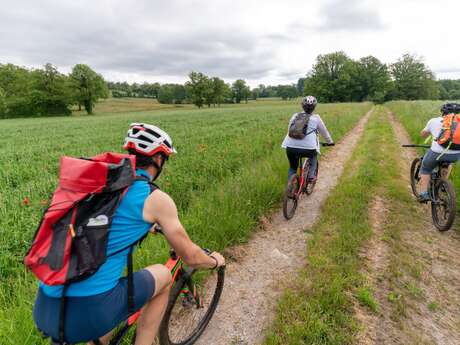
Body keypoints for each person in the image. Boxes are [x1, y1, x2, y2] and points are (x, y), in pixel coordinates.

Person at [33, 123, 225, 345]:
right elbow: (190, 256)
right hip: (90, 312)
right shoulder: (155, 199)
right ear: (159, 159)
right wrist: (214, 262)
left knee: (107, 288)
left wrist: (147, 225)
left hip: (46, 308)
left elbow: (102, 221)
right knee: (163, 277)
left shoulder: (100, 184)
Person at [281, 96, 334, 182]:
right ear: (314, 107)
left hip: (290, 147)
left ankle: (290, 187)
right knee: (313, 155)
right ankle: (311, 176)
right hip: (308, 149)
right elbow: (324, 132)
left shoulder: (295, 116)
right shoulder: (316, 118)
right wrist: (330, 142)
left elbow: (289, 129)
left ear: (302, 106)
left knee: (292, 167)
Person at [418, 103, 460, 202]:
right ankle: (443, 184)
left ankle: (424, 194)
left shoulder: (434, 121)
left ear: (443, 112)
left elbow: (423, 135)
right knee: (448, 162)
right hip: (456, 154)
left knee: (426, 168)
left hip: (437, 152)